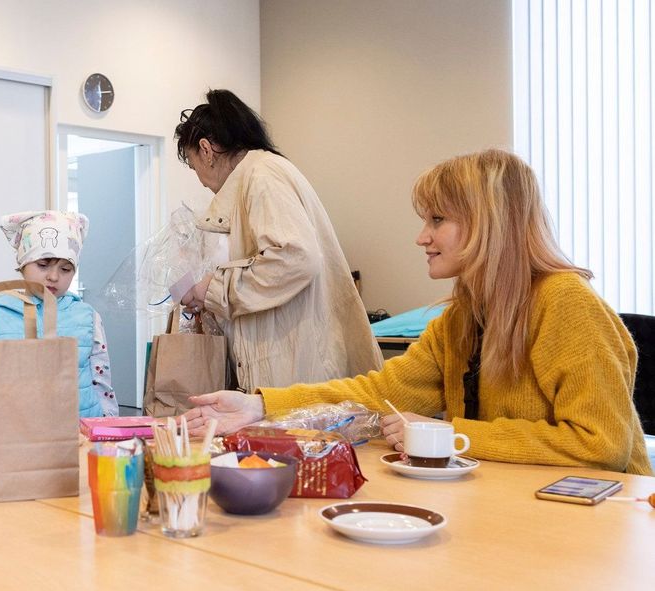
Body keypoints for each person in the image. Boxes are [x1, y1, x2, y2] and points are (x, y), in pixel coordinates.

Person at [185, 149, 652, 476]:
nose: (421, 237)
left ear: (488, 224)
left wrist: (451, 435)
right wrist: (260, 405)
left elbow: (602, 447)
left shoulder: (566, 304)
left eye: (437, 220)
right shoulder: (462, 319)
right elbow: (381, 390)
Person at [174, 89, 382, 392]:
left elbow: (296, 258)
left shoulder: (262, 176)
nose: (201, 181)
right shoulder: (256, 176)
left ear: (206, 150)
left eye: (194, 167)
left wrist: (214, 288)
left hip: (300, 371)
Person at [0, 210, 118, 418]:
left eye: (65, 269)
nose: (53, 276)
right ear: (23, 263)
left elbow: (101, 380)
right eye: (43, 265)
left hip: (81, 429)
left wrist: (108, 427)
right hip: (19, 431)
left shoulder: (88, 317)